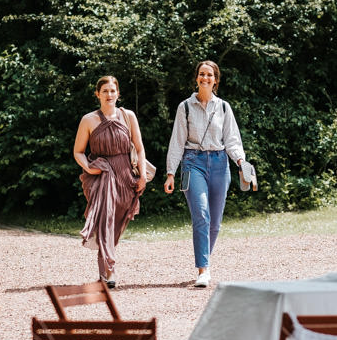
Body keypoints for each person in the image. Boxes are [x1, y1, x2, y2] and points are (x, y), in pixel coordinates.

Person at [164, 60, 246, 288]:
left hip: (220, 164)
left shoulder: (223, 107)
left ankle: (204, 259)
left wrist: (241, 162)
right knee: (201, 214)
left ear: (215, 80)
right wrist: (171, 172)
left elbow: (232, 140)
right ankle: (203, 270)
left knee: (215, 223)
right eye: (202, 74)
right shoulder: (185, 107)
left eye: (209, 75)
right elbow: (177, 141)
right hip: (193, 163)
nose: (205, 78)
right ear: (197, 78)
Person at [73, 76, 147, 288]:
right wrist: (88, 167)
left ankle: (103, 270)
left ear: (118, 93)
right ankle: (109, 270)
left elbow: (139, 148)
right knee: (105, 218)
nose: (109, 95)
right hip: (101, 175)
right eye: (105, 91)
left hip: (125, 176)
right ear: (97, 94)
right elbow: (78, 151)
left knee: (115, 224)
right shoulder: (89, 120)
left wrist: (142, 175)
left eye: (113, 90)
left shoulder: (128, 116)